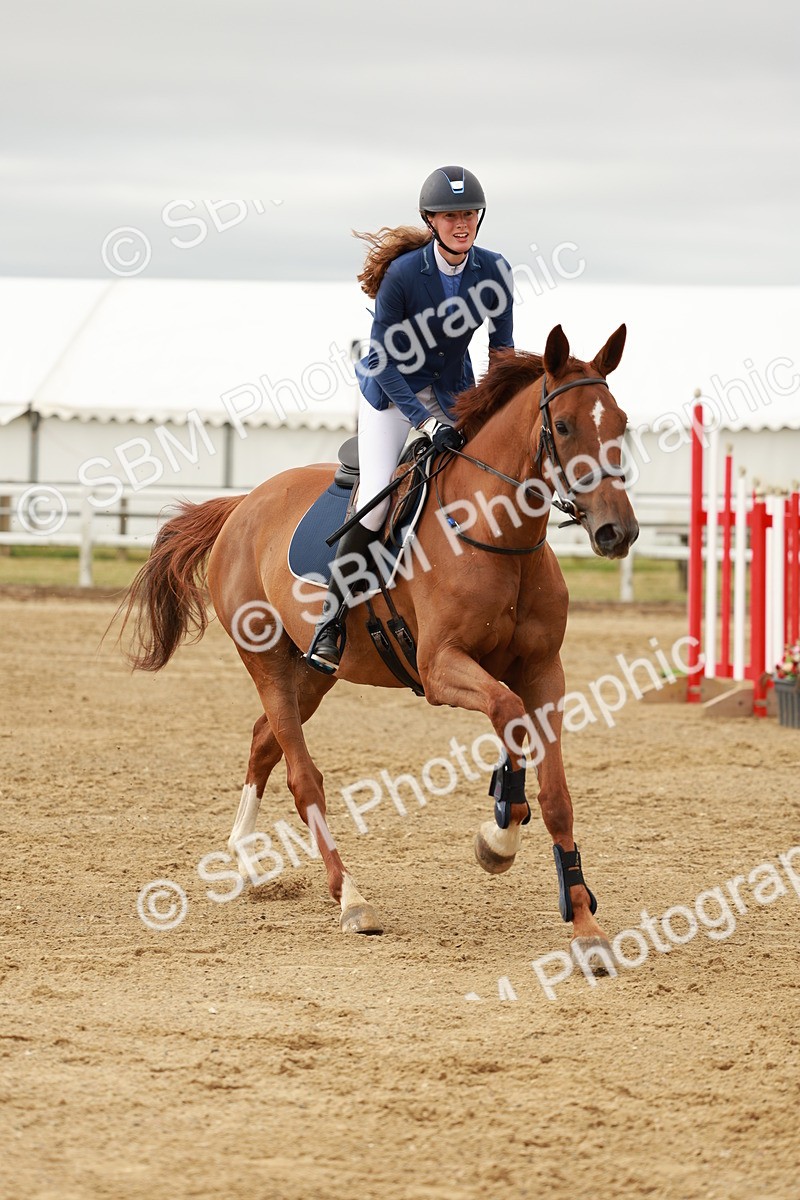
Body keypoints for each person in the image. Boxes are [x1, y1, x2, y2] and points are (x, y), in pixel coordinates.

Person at [306, 164, 515, 674]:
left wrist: (496, 408)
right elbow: (382, 360)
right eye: (450, 216)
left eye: (468, 214)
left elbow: (502, 351)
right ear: (431, 220)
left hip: (453, 391)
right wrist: (423, 423)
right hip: (392, 396)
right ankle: (329, 624)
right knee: (378, 498)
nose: (460, 223)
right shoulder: (403, 276)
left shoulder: (494, 270)